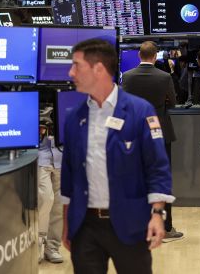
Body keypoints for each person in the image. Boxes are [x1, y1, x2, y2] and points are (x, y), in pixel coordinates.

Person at [61, 38, 174, 273]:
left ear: (98, 69)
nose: (71, 72)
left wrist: (157, 214)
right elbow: (69, 178)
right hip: (85, 227)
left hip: (130, 223)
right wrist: (67, 224)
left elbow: (157, 167)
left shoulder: (140, 111)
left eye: (76, 65)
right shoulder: (74, 118)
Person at [121, 41, 184, 240]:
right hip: (160, 133)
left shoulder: (128, 77)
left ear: (140, 55)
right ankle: (166, 228)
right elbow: (173, 102)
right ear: (155, 56)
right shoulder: (165, 77)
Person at [38, 106, 64, 264]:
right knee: (46, 199)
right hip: (41, 156)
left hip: (61, 157)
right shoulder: (32, 95)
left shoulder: (67, 95)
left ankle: (52, 247)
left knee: (59, 205)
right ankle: (38, 243)